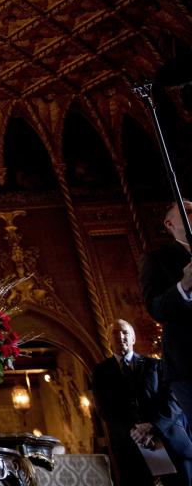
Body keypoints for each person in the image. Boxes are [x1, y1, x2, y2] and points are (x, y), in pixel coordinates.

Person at [92, 319, 192, 486]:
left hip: (171, 442)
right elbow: (105, 410)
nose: (120, 336)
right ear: (108, 340)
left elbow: (175, 399)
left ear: (133, 338)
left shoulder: (156, 365)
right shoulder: (100, 373)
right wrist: (134, 431)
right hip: (131, 449)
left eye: (125, 332)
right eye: (115, 333)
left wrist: (152, 425)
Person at [140, 200, 192, 418]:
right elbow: (155, 307)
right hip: (188, 363)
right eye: (188, 211)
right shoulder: (157, 259)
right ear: (169, 224)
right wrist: (184, 285)